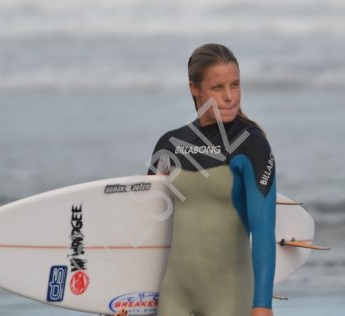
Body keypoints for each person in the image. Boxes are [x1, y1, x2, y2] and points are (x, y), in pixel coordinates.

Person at [116, 43, 276, 316]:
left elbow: (263, 230)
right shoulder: (170, 144)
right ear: (195, 89)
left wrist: (262, 305)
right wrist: (123, 298)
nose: (229, 97)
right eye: (218, 88)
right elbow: (148, 224)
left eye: (235, 85)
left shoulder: (251, 145)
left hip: (230, 295)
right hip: (174, 294)